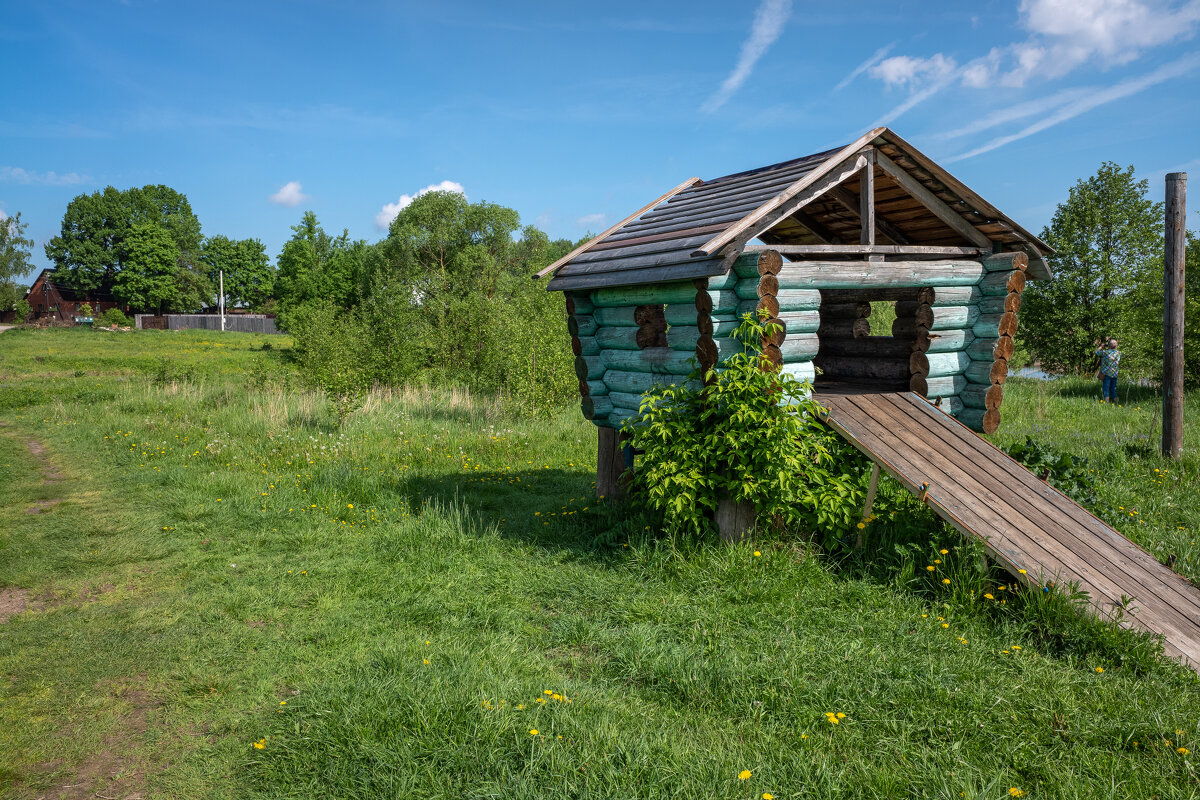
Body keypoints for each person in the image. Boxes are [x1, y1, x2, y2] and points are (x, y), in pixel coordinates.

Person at [1094, 338, 1121, 403]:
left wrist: (1101, 347)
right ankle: (1116, 402)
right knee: (1113, 389)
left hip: (1106, 374)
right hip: (1115, 374)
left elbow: (1096, 352)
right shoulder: (1119, 353)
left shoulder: (1105, 352)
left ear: (1108, 345)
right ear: (1116, 345)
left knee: (1106, 389)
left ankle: (1107, 402)